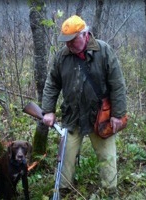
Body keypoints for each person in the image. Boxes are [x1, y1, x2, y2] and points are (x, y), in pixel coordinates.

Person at [41, 15, 127, 198]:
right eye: (66, 41)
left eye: (72, 40)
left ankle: (110, 192)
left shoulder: (103, 51)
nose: (69, 45)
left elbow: (117, 84)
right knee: (66, 158)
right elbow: (52, 83)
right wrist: (48, 110)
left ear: (84, 34)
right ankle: (64, 190)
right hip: (72, 115)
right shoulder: (62, 56)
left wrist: (118, 114)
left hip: (100, 116)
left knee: (107, 158)